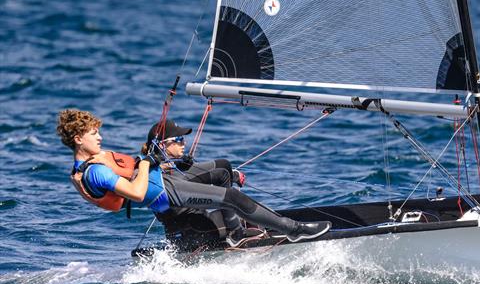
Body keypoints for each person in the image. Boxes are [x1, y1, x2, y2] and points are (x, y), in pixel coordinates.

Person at [57, 109, 330, 247]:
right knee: (232, 197)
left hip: (164, 180)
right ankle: (294, 230)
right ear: (79, 139)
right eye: (94, 134)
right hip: (165, 194)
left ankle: (236, 234)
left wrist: (159, 165)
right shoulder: (97, 171)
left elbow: (138, 173)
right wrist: (147, 163)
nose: (100, 137)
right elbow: (138, 194)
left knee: (223, 170)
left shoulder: (92, 164)